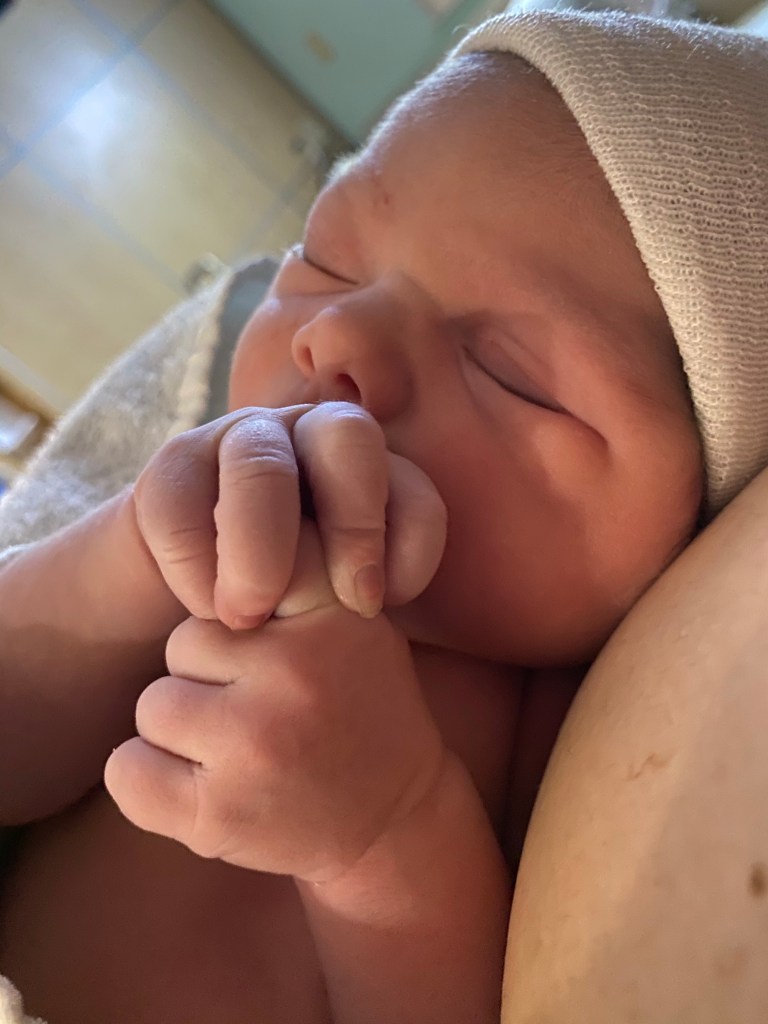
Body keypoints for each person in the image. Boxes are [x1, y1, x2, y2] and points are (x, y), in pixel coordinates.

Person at [0, 8, 766, 1024]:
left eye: (511, 375)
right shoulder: (209, 516)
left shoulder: (576, 735)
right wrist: (128, 560)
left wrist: (382, 842)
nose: (338, 335)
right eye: (325, 261)